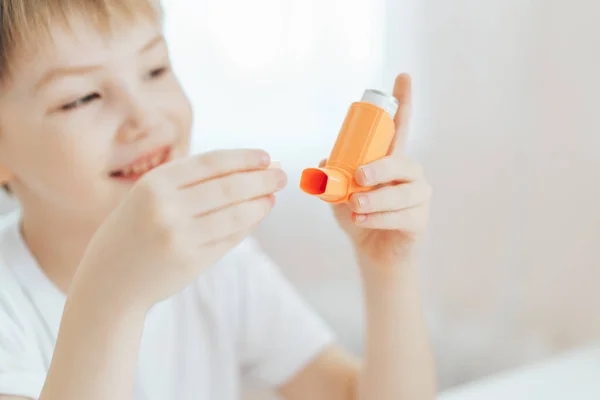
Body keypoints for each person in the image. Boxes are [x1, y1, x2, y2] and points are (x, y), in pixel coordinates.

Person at [0, 1, 436, 399]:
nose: (146, 117)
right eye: (81, 98)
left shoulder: (220, 265)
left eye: (154, 69)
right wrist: (112, 298)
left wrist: (387, 268)